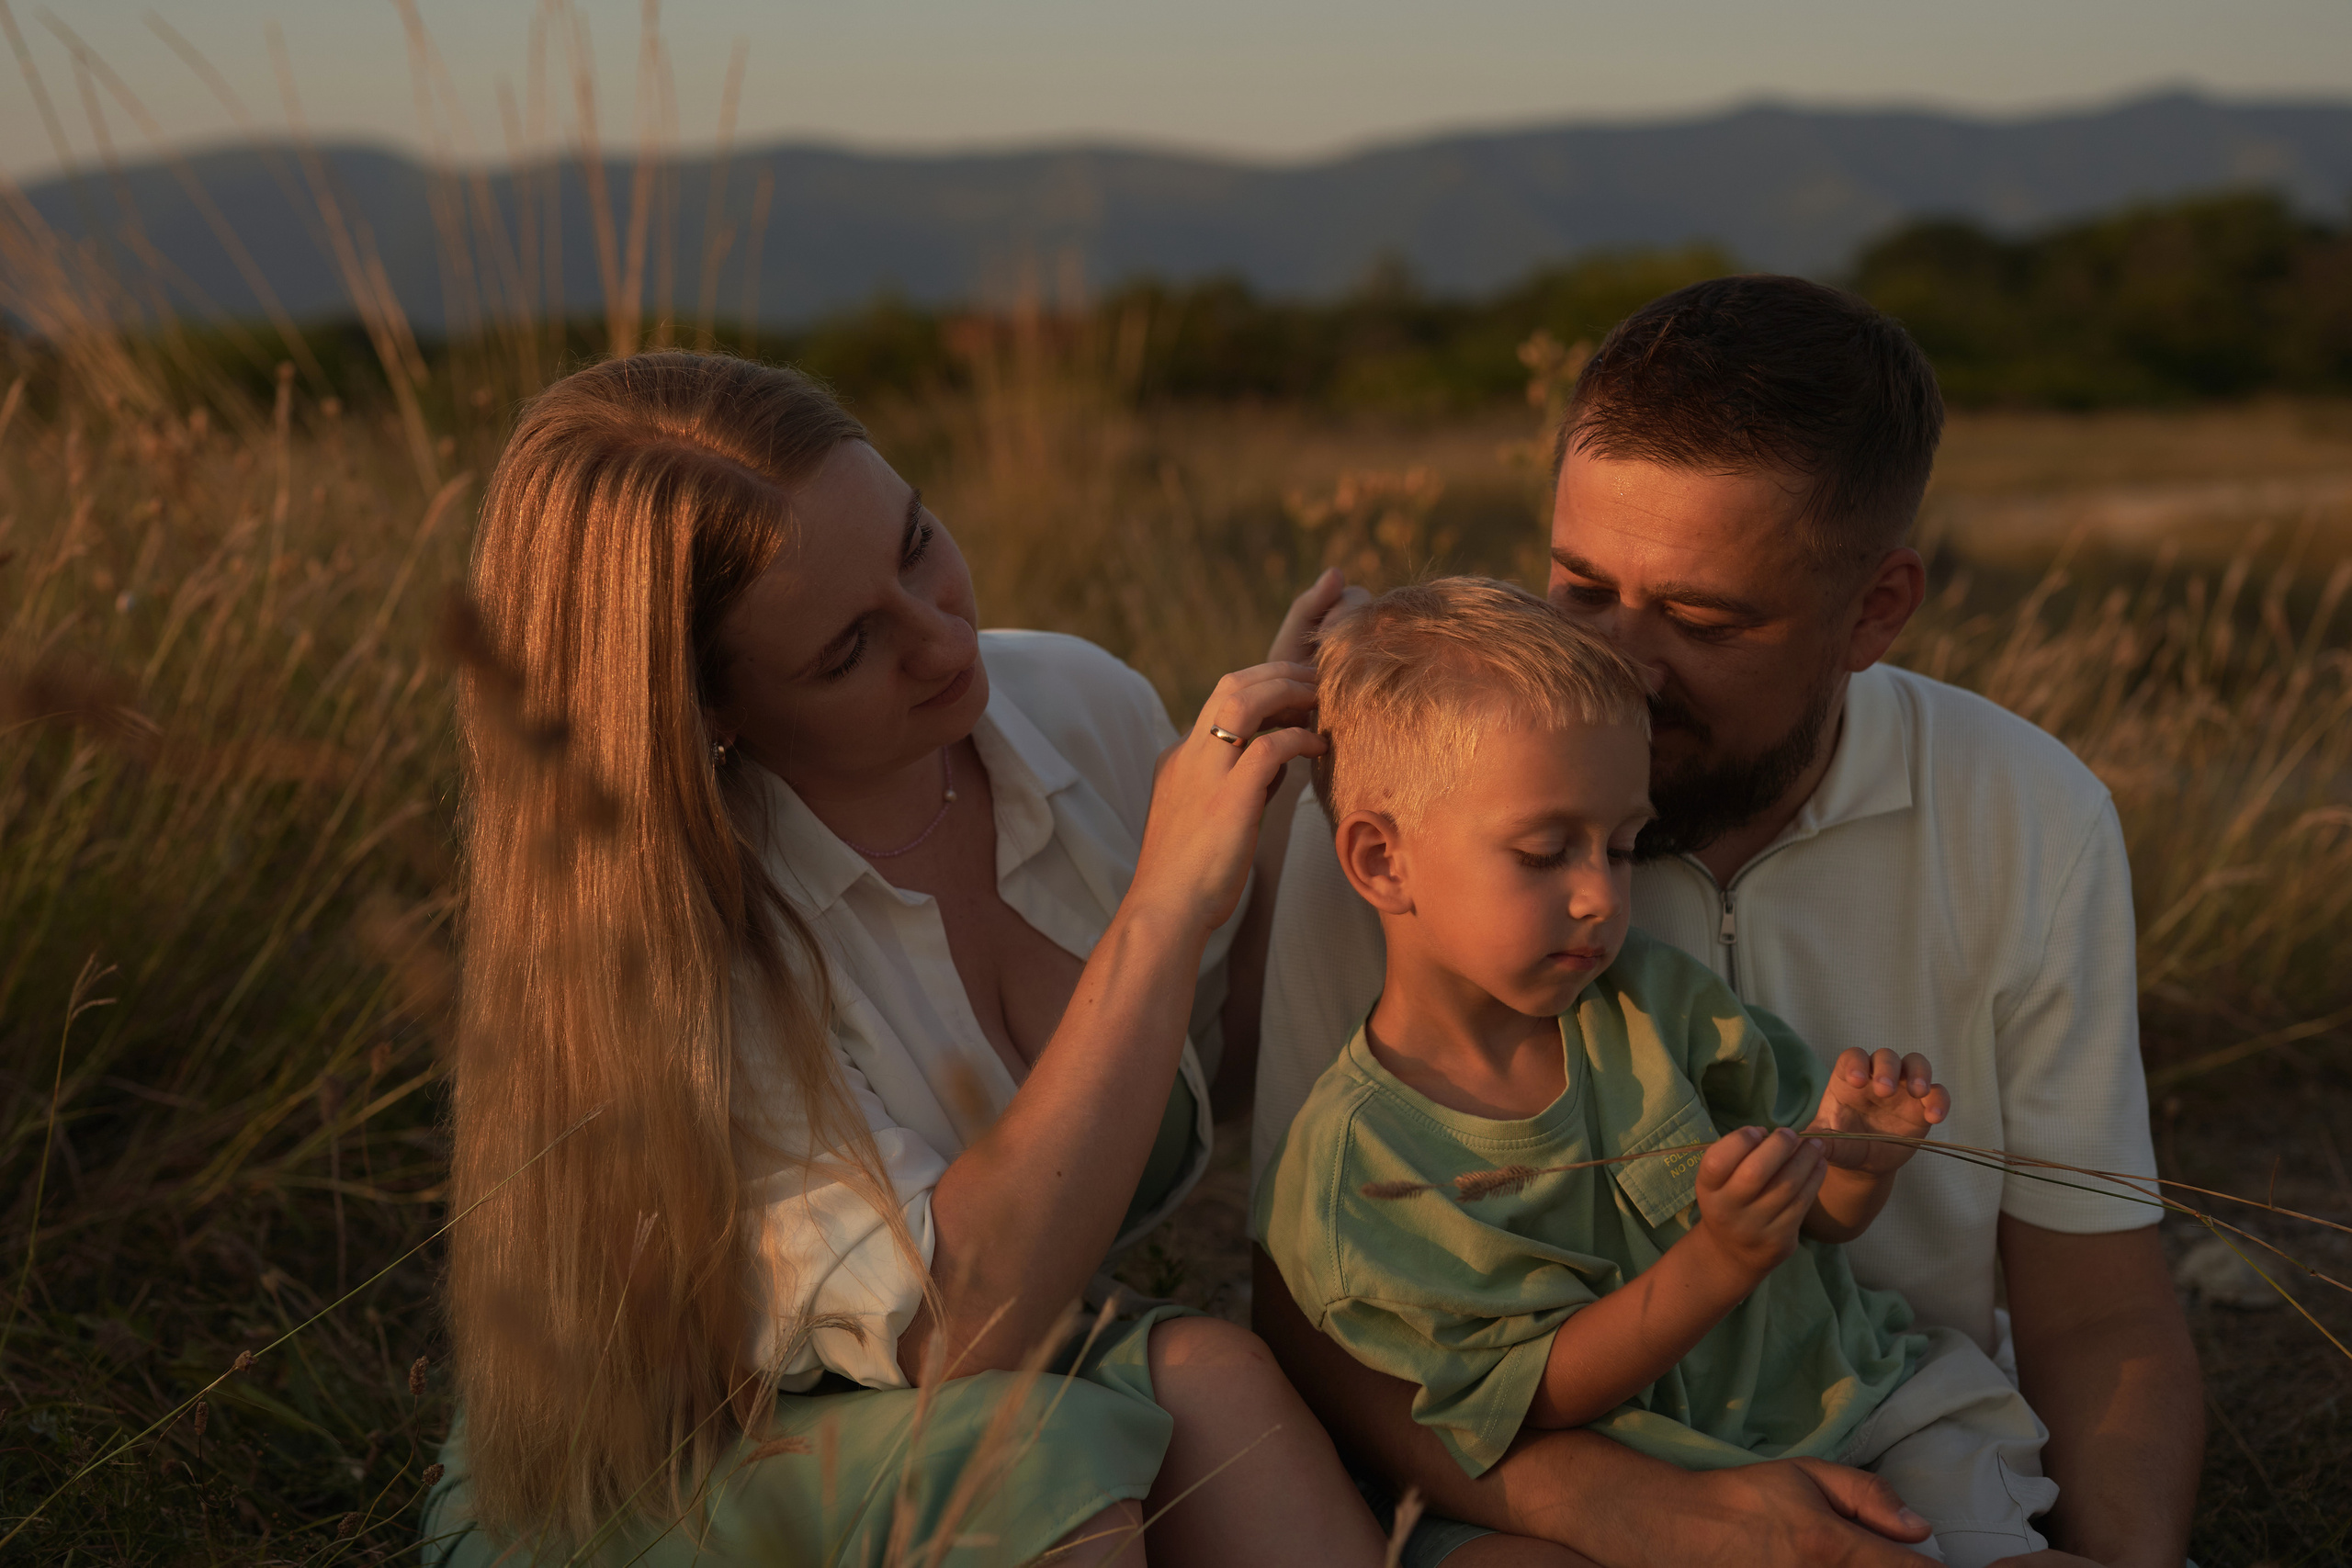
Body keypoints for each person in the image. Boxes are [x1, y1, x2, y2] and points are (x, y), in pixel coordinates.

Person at [1251, 277, 2203, 1567]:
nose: (1627, 665)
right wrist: (1642, 1511)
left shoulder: (2029, 812)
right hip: (1553, 1480)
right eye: (1580, 587)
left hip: (1891, 1434)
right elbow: (1315, 1313)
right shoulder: (1409, 831)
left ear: (1877, 607)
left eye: (1701, 617)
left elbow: (2100, 1311)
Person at [420, 352, 1398, 1566]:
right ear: (704, 712)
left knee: (1219, 1381)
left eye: (919, 541)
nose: (942, 640)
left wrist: (1290, 780)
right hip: (669, 1469)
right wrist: (1159, 907)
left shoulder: (1070, 701)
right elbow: (960, 1319)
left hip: (992, 1387)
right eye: (847, 649)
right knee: (1036, 1479)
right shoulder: (676, 955)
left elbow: (1206, 1050)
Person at [1258, 576, 2059, 1568]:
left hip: (1851, 1407)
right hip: (1645, 1494)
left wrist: (1850, 1164)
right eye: (1546, 852)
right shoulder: (1364, 1162)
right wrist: (1716, 1261)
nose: (1599, 895)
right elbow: (1532, 1398)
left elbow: (1812, 1219)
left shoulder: (1654, 1004)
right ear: (1382, 861)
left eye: (1624, 848)